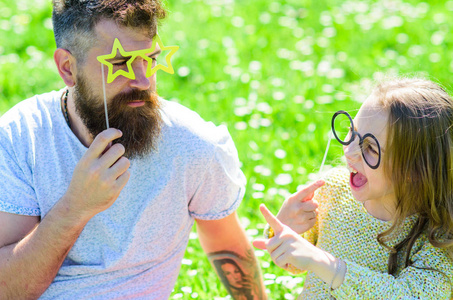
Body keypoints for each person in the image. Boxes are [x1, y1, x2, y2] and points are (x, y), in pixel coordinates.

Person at [0, 1, 266, 299]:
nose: (143, 80)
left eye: (150, 59)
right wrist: (75, 208)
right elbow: (8, 289)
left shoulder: (192, 144)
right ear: (67, 68)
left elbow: (227, 246)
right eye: (119, 63)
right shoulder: (21, 137)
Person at [253, 77, 453, 299]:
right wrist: (285, 232)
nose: (349, 152)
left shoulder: (439, 236)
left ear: (414, 170)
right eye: (352, 131)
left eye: (370, 148)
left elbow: (411, 296)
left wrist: (324, 263)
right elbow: (296, 262)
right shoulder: (332, 190)